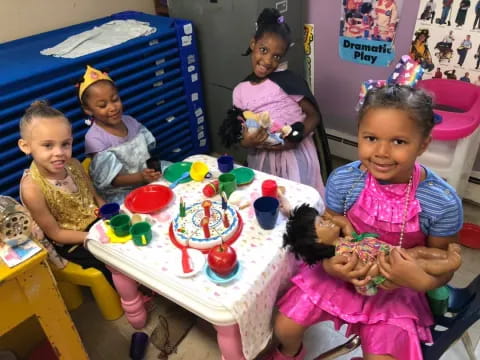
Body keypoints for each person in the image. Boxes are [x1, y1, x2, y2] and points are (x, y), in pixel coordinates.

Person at [268, 85, 463, 360]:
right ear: (358, 133)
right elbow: (330, 232)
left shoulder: (441, 202)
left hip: (398, 289)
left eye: (399, 142)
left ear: (424, 144)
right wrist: (329, 265)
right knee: (285, 326)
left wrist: (419, 280)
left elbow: (441, 263)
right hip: (343, 272)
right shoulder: (343, 181)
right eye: (371, 138)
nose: (381, 152)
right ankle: (291, 352)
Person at [232, 8, 331, 194]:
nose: (268, 61)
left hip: (295, 157)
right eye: (263, 50)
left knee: (298, 199)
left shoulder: (288, 82)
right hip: (262, 159)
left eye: (276, 56)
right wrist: (248, 141)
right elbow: (239, 133)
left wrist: (298, 135)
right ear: (253, 44)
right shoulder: (240, 91)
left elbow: (313, 115)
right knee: (269, 198)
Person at [18, 101, 112, 284]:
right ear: (26, 146)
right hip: (71, 240)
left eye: (65, 144)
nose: (59, 152)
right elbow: (55, 234)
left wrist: (110, 215)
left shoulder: (74, 165)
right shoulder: (32, 189)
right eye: (48, 145)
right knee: (112, 261)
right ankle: (132, 297)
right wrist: (94, 237)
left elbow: (94, 196)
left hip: (96, 223)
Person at [282, 203, 462, 296]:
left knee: (418, 251)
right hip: (383, 268)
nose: (328, 220)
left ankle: (445, 255)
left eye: (324, 218)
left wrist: (328, 219)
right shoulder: (337, 257)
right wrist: (376, 269)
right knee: (419, 262)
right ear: (318, 240)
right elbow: (358, 274)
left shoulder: (347, 238)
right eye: (322, 223)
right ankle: (451, 262)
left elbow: (343, 221)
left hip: (387, 253)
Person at [79, 65, 161, 203]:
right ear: (88, 110)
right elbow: (113, 180)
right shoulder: (95, 139)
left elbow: (148, 153)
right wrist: (141, 177)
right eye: (102, 105)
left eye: (115, 99)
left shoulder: (130, 121)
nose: (112, 107)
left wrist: (150, 172)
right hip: (120, 191)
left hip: (144, 176)